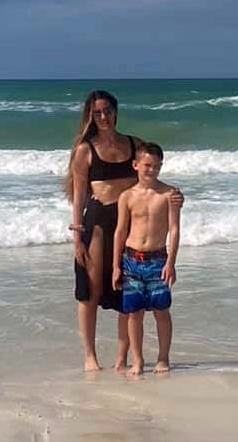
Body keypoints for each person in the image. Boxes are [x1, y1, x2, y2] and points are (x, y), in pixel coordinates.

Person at [64, 90, 182, 372]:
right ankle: (90, 356)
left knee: (124, 295)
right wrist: (77, 235)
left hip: (127, 221)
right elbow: (78, 195)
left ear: (116, 111)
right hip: (97, 222)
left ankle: (121, 358)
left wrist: (175, 195)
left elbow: (149, 176)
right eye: (97, 113)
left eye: (108, 111)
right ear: (90, 116)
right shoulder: (85, 150)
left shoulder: (132, 144)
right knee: (90, 292)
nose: (104, 117)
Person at [112, 142, 180, 376]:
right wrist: (115, 266)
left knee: (162, 310)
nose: (152, 170)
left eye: (157, 166)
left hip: (158, 259)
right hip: (131, 259)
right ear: (136, 165)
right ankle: (138, 360)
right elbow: (120, 231)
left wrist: (171, 262)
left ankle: (163, 357)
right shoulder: (127, 196)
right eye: (147, 165)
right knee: (134, 313)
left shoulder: (169, 194)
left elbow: (174, 229)